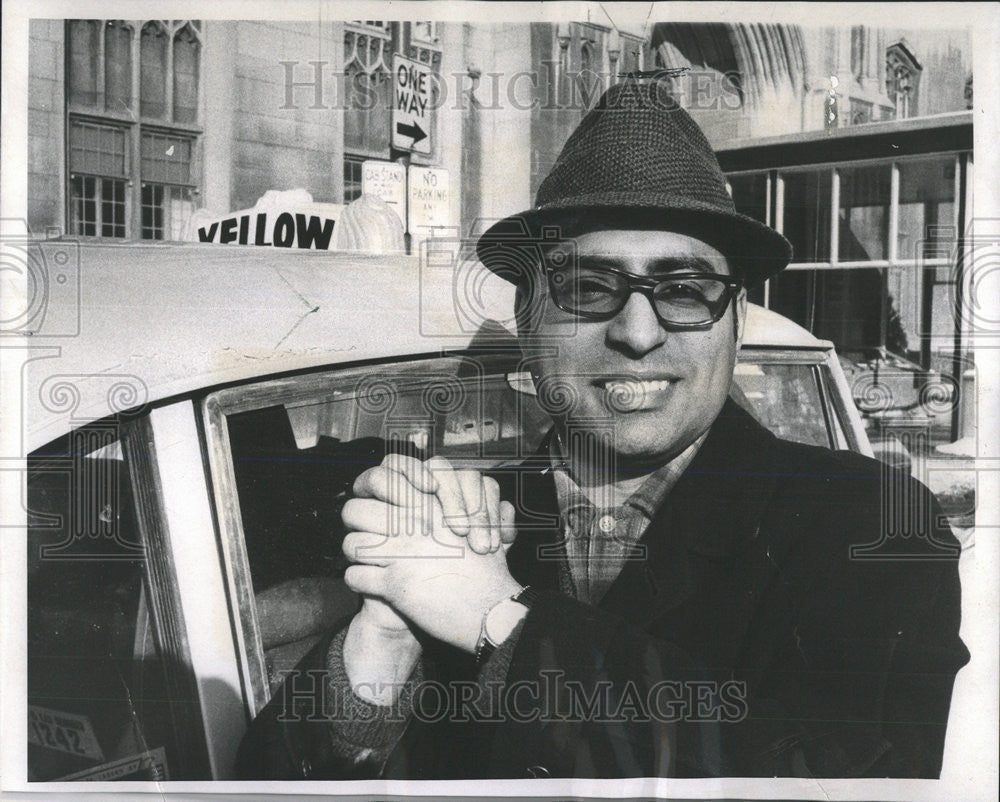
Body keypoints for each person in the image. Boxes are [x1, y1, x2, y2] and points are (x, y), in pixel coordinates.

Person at [237, 80, 969, 779]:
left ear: (735, 325)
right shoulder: (460, 531)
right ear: (528, 328)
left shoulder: (871, 524)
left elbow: (842, 778)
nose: (638, 332)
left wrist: (503, 623)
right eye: (588, 288)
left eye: (684, 291)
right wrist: (382, 641)